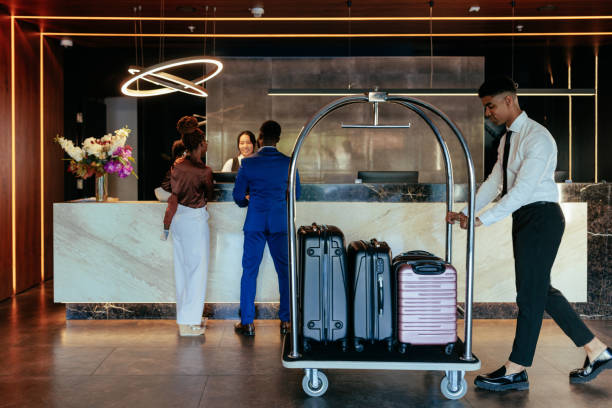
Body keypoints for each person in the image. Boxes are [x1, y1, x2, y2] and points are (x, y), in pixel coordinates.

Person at [447, 77, 611, 391]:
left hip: (542, 217)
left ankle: (517, 368)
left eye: (490, 106)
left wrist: (484, 220)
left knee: (530, 295)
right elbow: (495, 183)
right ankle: (596, 350)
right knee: (539, 291)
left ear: (510, 100)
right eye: (486, 108)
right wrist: (466, 212)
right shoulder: (508, 140)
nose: (488, 114)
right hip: (526, 218)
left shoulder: (538, 137)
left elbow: (522, 191)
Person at [232, 120, 301, 336]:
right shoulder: (289, 163)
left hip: (255, 223)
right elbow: (296, 194)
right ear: (278, 139)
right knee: (285, 272)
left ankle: (247, 322)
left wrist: (249, 202)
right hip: (280, 223)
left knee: (249, 272)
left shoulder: (248, 163)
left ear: (259, 138)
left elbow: (237, 196)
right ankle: (286, 321)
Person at [163, 116, 215, 336]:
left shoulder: (176, 166)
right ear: (201, 144)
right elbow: (210, 194)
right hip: (195, 219)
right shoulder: (204, 171)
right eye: (205, 142)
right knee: (198, 271)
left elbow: (166, 187)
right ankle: (192, 323)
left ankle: (185, 319)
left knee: (182, 269)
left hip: (178, 221)